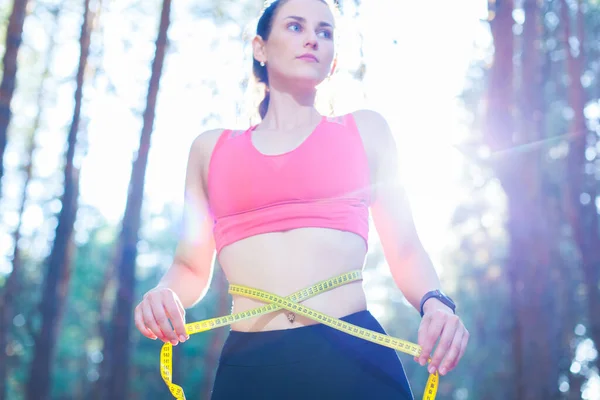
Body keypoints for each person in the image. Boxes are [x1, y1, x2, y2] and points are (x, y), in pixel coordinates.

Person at [134, 0, 469, 398]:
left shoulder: (366, 131)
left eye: (324, 32)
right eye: (295, 26)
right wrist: (163, 294)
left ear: (334, 59)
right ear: (260, 48)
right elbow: (189, 266)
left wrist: (436, 304)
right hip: (250, 367)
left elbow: (407, 249)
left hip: (354, 360)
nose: (312, 38)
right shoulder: (209, 151)